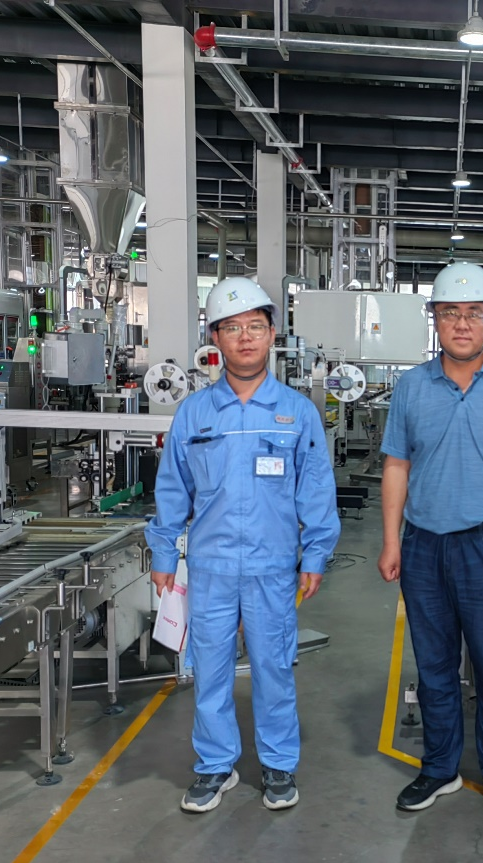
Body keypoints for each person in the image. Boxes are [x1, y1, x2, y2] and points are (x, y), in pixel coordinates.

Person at [147, 276, 340, 814]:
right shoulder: (194, 414)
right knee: (208, 670)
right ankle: (215, 765)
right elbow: (172, 488)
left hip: (271, 568)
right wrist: (164, 553)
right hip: (209, 567)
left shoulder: (296, 412)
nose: (246, 337)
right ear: (216, 338)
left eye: (255, 326)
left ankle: (278, 763)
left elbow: (316, 488)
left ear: (273, 333)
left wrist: (316, 553)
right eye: (232, 328)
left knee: (273, 669)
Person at [377, 260, 483, 821]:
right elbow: (396, 467)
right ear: (435, 318)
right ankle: (440, 768)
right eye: (450, 312)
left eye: (473, 313)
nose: (461, 323)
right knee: (434, 667)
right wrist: (391, 541)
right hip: (425, 547)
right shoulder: (412, 386)